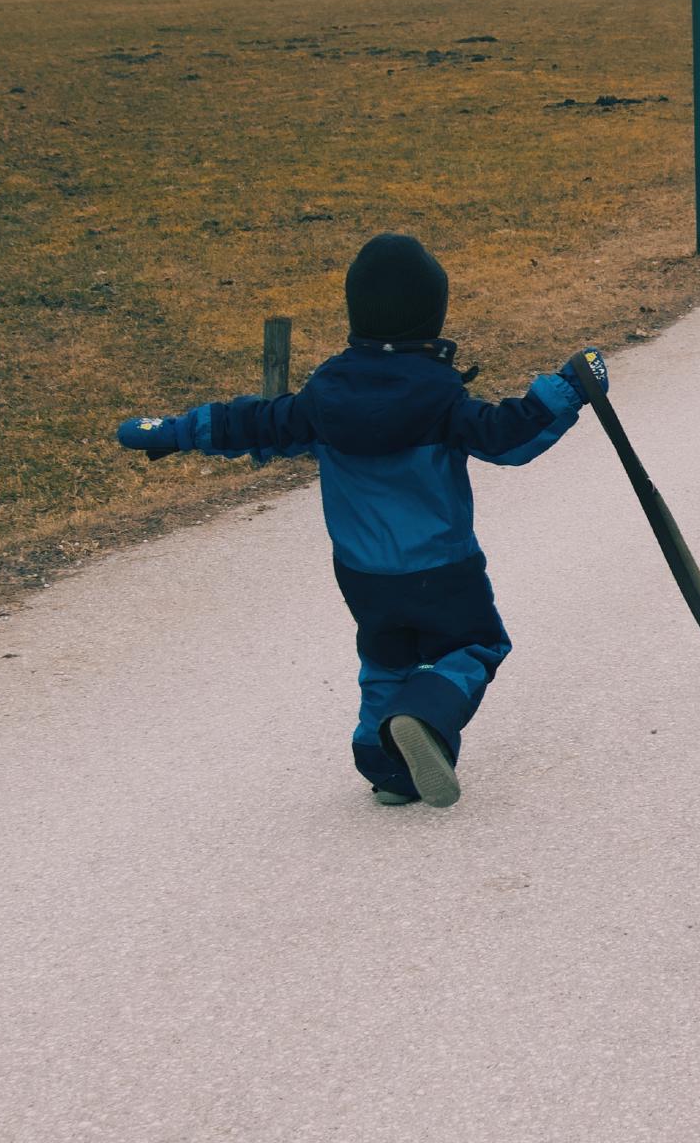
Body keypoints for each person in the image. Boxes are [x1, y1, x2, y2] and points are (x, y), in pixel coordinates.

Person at [117, 233, 603, 808]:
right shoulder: (438, 397)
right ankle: (423, 715)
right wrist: (570, 387)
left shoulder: (325, 396)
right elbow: (507, 437)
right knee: (475, 645)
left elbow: (250, 423)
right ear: (433, 315)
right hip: (442, 566)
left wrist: (171, 431)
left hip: (363, 575)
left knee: (385, 661)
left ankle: (389, 772)